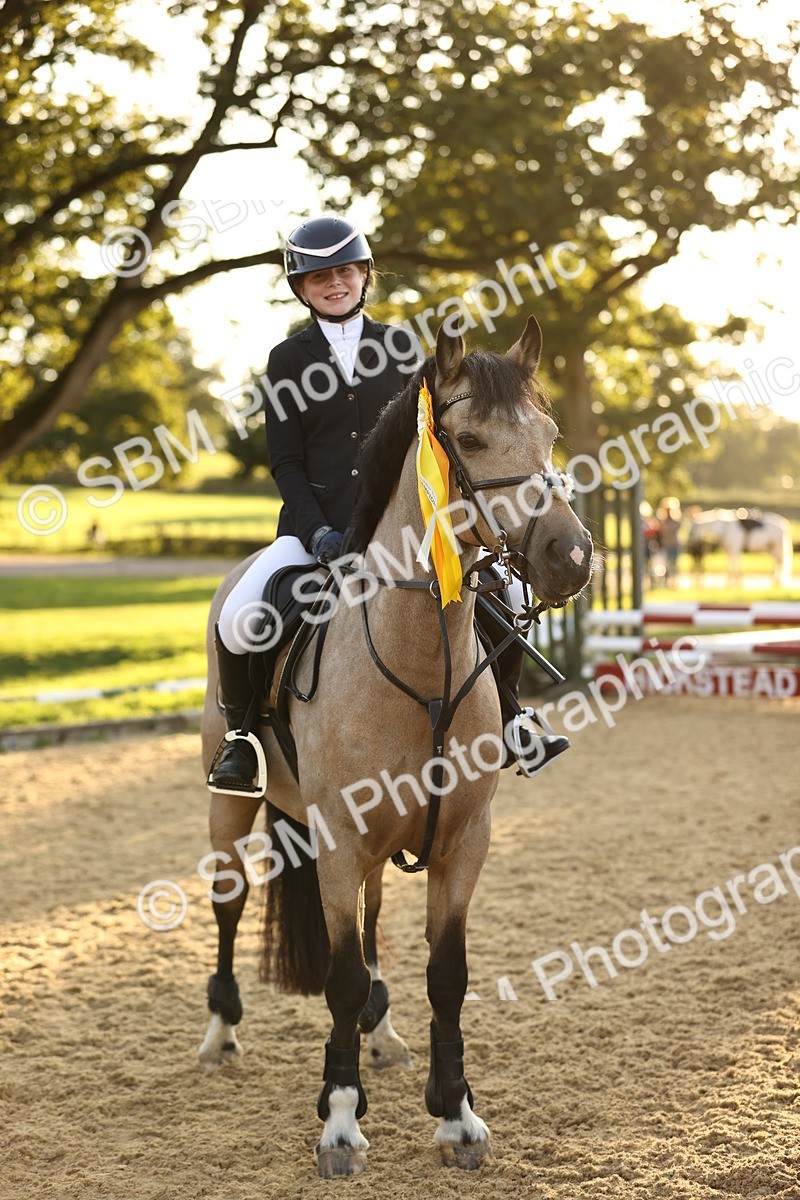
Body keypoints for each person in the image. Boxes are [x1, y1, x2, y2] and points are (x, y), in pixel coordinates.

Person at [208, 215, 568, 795]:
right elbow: (287, 464)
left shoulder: (401, 347)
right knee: (240, 615)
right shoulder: (286, 360)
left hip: (404, 529)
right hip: (312, 531)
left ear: (364, 276)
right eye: (319, 276)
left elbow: (432, 442)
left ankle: (512, 715)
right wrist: (316, 531)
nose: (334, 283)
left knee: (507, 590)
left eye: (345, 271)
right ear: (301, 287)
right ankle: (242, 739)